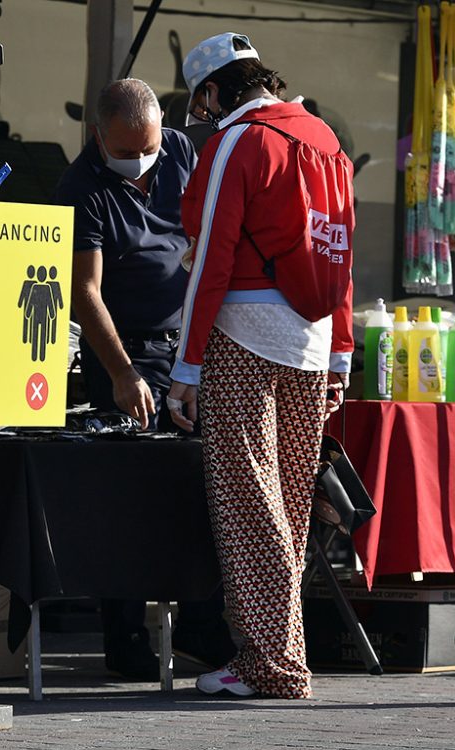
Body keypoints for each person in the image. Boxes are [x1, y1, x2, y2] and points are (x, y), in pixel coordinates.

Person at [166, 32, 354, 699]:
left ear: (214, 92)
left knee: (250, 501)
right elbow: (342, 252)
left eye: (200, 103)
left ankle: (270, 664)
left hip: (243, 334)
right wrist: (341, 351)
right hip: (313, 334)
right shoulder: (324, 137)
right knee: (289, 504)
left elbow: (211, 257)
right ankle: (279, 654)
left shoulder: (236, 143)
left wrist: (186, 368)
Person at [54, 77, 236, 680]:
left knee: (203, 488)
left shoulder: (180, 152)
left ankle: (202, 627)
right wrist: (124, 374)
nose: (140, 164)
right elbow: (85, 294)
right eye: (127, 152)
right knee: (129, 501)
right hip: (127, 353)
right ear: (97, 136)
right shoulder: (81, 189)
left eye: (149, 149)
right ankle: (124, 635)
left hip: (192, 348)